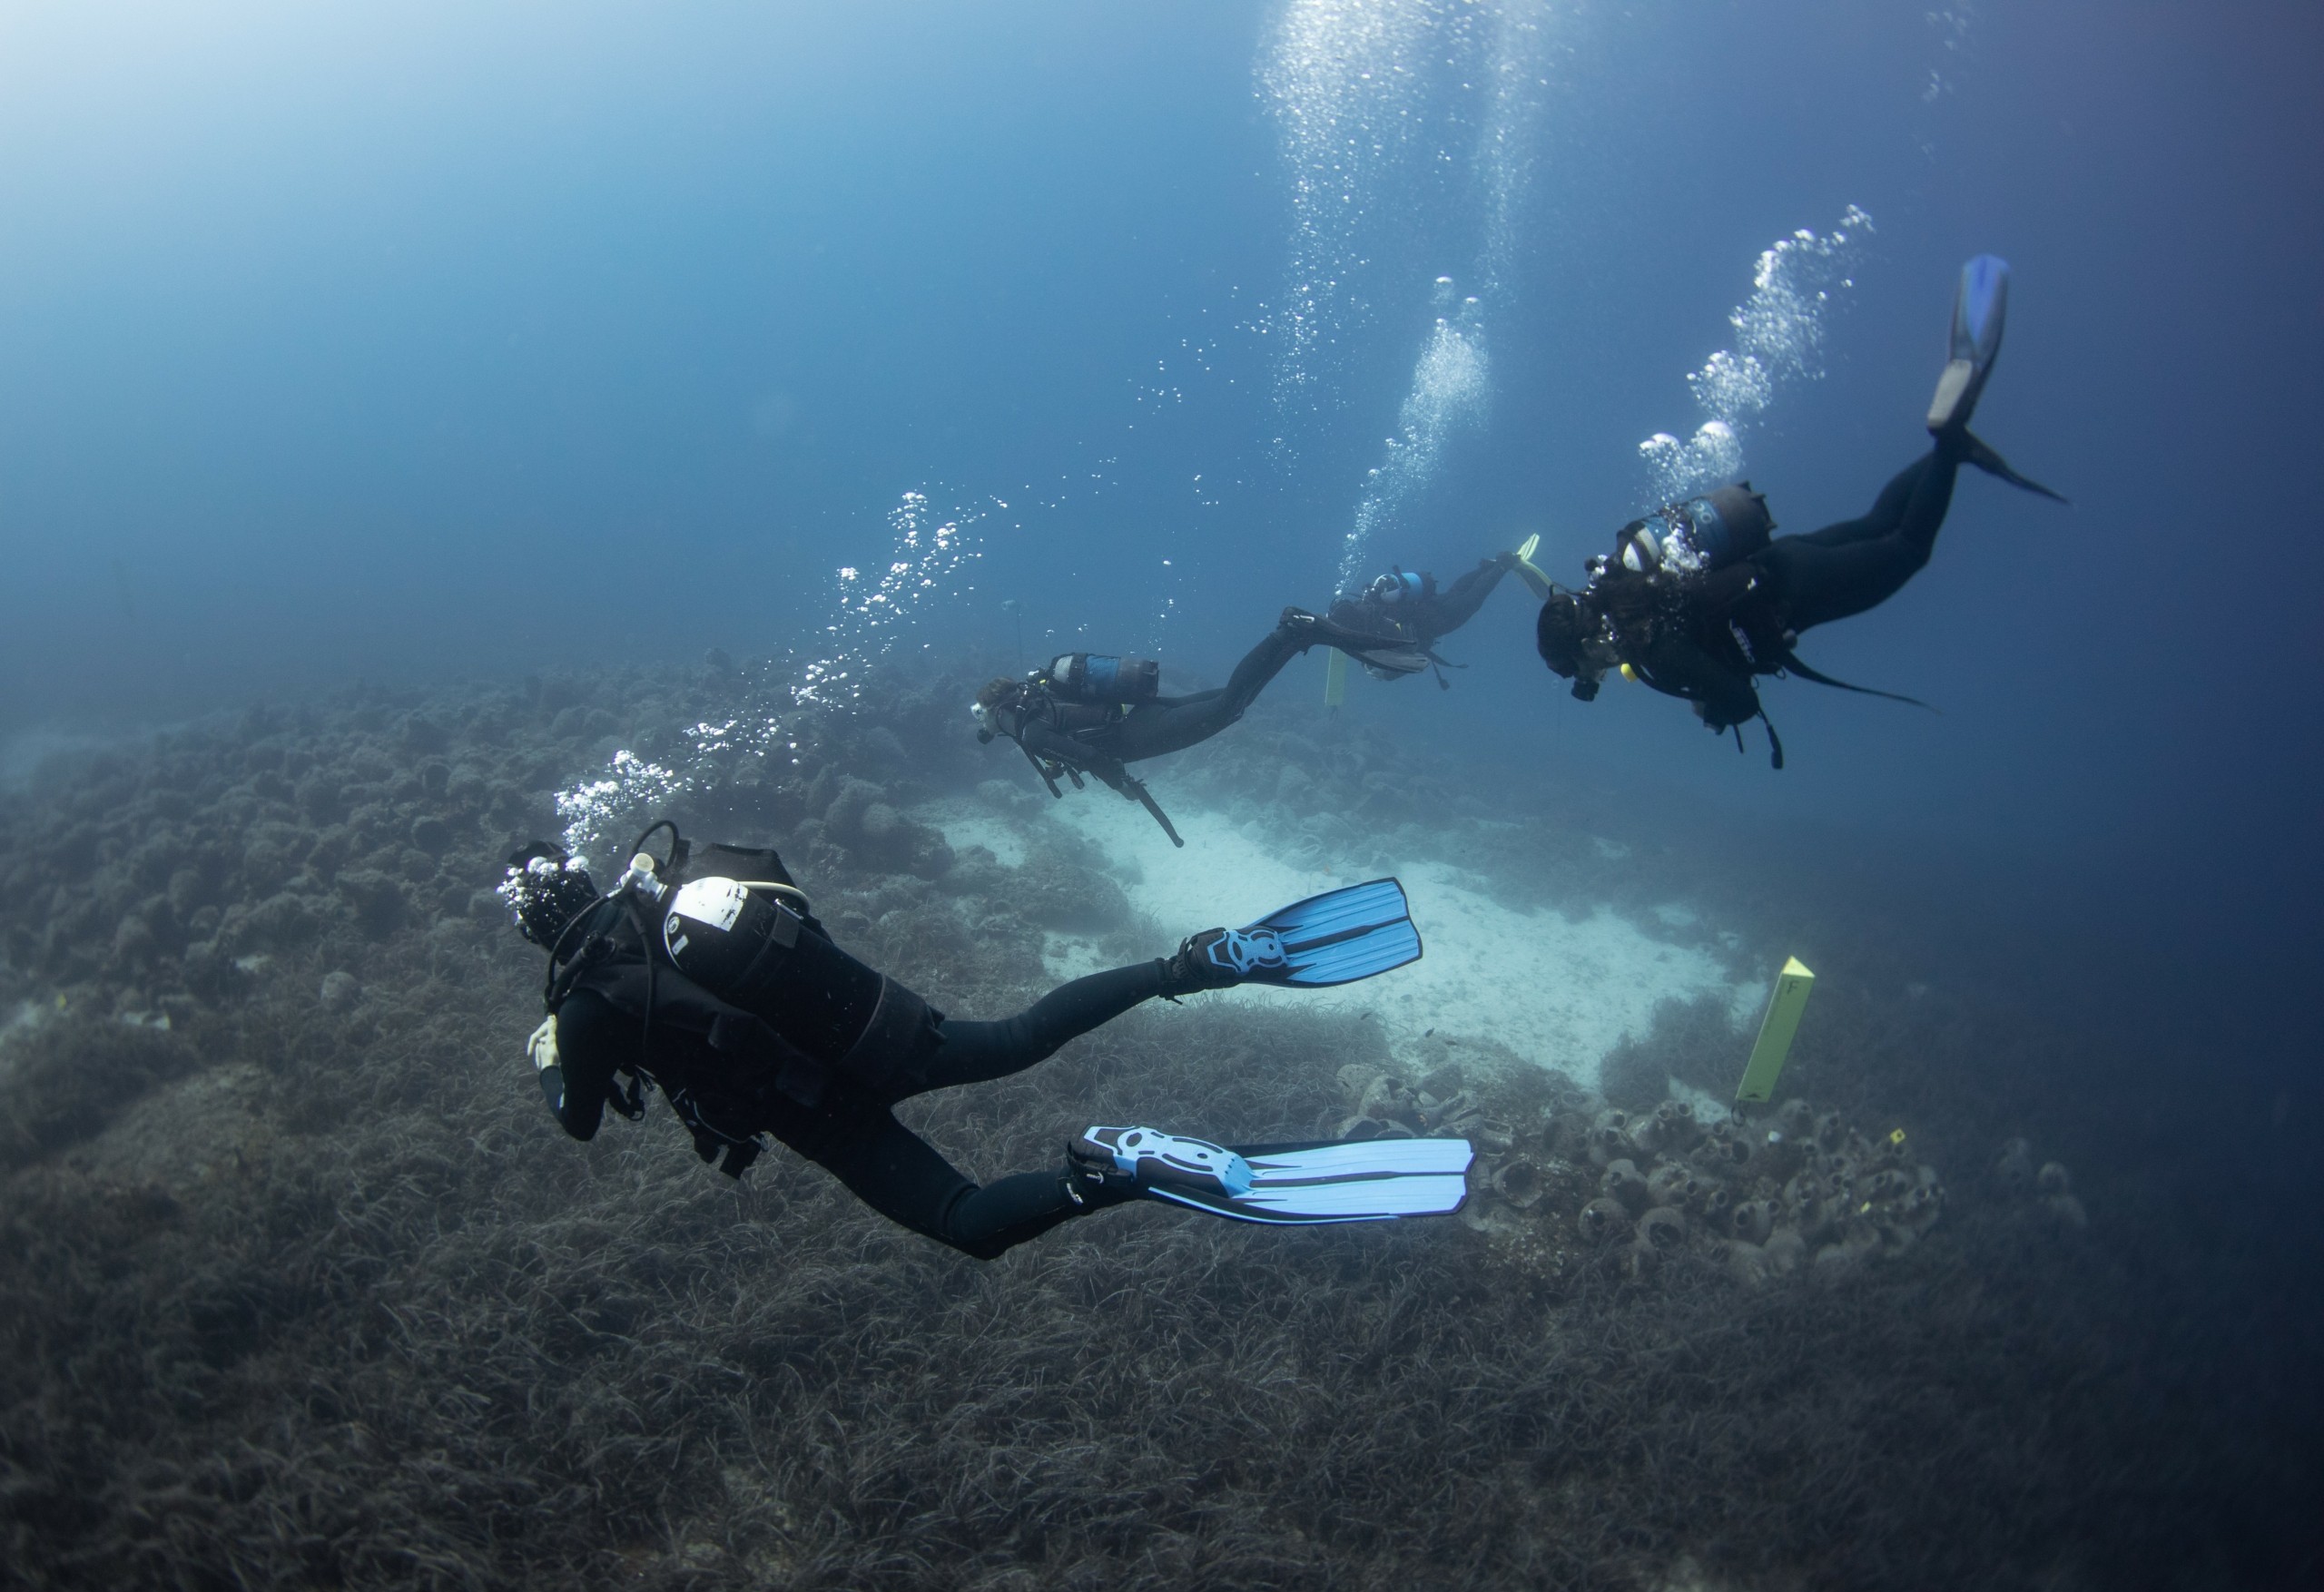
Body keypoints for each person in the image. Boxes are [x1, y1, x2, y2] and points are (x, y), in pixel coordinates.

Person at [500, 829, 1458, 1259]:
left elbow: (579, 1120)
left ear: (539, 929)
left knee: (964, 1220)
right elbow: (792, 897)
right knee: (1023, 1034)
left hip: (821, 1112)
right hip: (883, 1029)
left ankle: (1111, 1171)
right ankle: (1189, 964)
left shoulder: (583, 1004)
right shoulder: (682, 888)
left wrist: (550, 1053)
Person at [1533, 255, 2064, 767]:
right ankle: (1949, 451)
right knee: (1878, 523)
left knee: (1908, 549)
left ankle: (1947, 441)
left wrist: (1709, 707)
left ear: (1584, 642)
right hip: (1780, 560)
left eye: (1579, 667)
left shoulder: (1651, 648)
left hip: (1795, 595)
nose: (1591, 675)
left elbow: (1740, 701)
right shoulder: (1623, 583)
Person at [973, 606, 1407, 844]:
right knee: (1231, 702)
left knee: (1229, 707)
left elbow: (1089, 756)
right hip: (1141, 712)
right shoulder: (1039, 695)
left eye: (985, 718)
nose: (988, 727)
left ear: (995, 712)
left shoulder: (1031, 732)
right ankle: (1298, 640)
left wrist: (1122, 786)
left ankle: (1288, 633)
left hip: (1136, 735)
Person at [1325, 553, 1519, 686]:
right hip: (1425, 604)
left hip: (1436, 623)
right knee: (1455, 591)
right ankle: (1486, 568)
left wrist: (1385, 672)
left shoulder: (1372, 633)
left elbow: (1410, 655)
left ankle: (1503, 565)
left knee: (1471, 600)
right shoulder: (1364, 606)